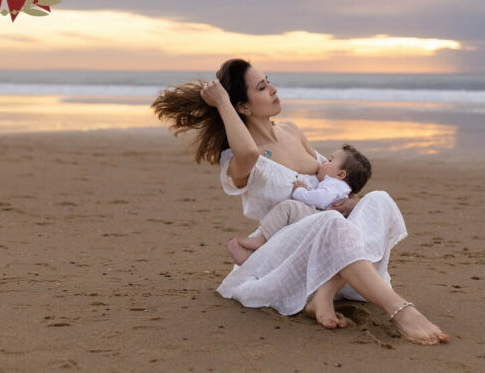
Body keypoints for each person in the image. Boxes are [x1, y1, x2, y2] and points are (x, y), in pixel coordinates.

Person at [151, 58, 448, 345]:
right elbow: (250, 153)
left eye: (270, 83)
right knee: (329, 221)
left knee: (379, 200)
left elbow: (332, 178)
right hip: (289, 259)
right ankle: (402, 311)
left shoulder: (292, 130)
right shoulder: (238, 159)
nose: (274, 90)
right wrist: (223, 103)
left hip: (335, 250)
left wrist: (352, 201)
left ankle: (326, 292)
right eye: (262, 87)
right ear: (242, 106)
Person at [229, 144, 372, 265]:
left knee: (288, 208)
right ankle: (257, 254)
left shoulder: (334, 185)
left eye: (330, 160)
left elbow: (320, 199)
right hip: (322, 219)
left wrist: (299, 191)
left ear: (341, 175)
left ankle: (259, 240)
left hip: (320, 218)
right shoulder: (341, 188)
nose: (323, 162)